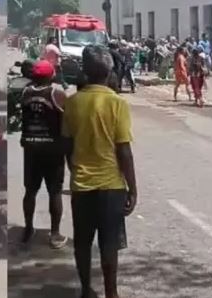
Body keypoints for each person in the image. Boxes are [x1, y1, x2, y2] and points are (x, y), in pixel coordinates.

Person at [62, 45, 137, 298]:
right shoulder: (118, 103)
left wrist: (74, 169)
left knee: (82, 243)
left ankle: (85, 289)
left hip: (82, 185)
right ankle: (111, 292)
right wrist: (133, 189)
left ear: (85, 71)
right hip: (111, 186)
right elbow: (124, 150)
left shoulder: (72, 103)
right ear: (110, 72)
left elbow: (67, 145)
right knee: (109, 244)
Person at [20, 60, 68, 249]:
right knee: (54, 192)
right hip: (52, 149)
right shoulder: (55, 92)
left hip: (31, 149)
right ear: (50, 75)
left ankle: (28, 229)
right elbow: (67, 116)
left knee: (30, 191)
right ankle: (55, 233)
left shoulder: (25, 92)